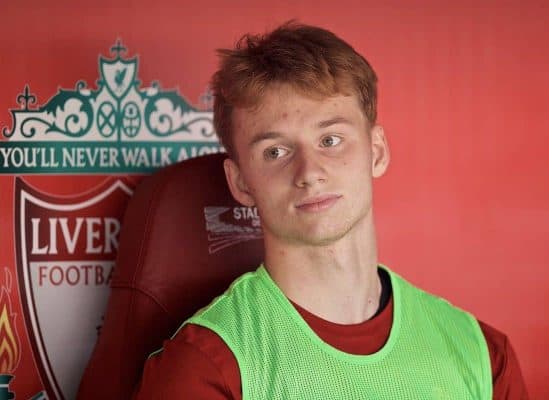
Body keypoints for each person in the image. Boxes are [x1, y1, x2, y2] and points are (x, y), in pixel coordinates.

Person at [134, 22, 528, 399]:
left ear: (376, 152)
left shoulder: (480, 353)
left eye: (331, 139)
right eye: (276, 151)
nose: (309, 172)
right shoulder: (205, 366)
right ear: (240, 182)